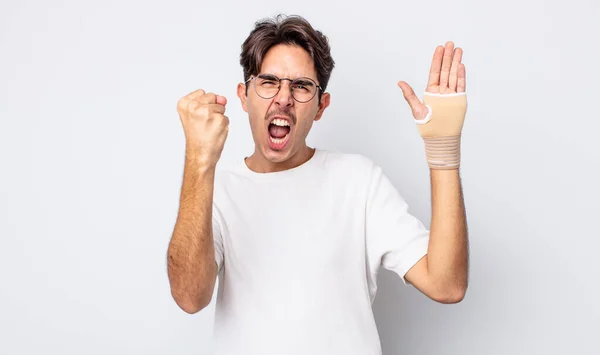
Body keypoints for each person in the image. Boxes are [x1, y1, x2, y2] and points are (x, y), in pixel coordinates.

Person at [167, 14, 469, 355]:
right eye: (268, 82)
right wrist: (198, 161)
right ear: (244, 95)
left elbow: (447, 284)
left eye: (301, 86)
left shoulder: (358, 181)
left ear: (321, 106)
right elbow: (190, 297)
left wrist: (443, 148)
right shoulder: (214, 188)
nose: (283, 98)